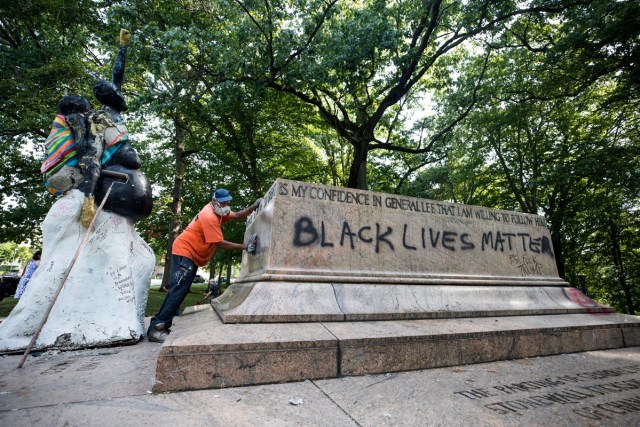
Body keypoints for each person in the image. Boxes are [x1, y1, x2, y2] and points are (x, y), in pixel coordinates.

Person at [147, 188, 261, 343]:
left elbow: (237, 215)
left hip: (190, 254)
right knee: (178, 289)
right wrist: (244, 246)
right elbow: (218, 242)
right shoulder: (210, 216)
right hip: (185, 251)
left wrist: (253, 207)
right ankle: (157, 327)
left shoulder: (219, 212)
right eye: (223, 202)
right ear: (214, 201)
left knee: (181, 289)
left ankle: (164, 325)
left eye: (228, 201)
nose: (227, 204)